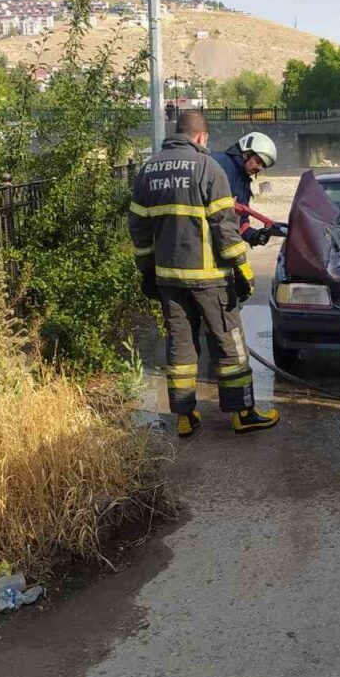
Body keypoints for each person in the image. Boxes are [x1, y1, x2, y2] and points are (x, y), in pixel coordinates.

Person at [129, 109, 280, 437]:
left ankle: (184, 416)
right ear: (201, 137)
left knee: (180, 348)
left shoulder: (148, 170)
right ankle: (243, 412)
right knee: (230, 344)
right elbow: (225, 228)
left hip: (169, 279)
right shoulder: (208, 168)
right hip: (210, 278)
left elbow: (139, 230)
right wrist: (242, 270)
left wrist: (147, 272)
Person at [212, 132, 279, 247]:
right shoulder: (217, 163)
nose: (259, 168)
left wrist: (253, 235)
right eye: (258, 161)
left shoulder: (243, 182)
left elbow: (240, 220)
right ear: (246, 154)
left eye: (263, 166)